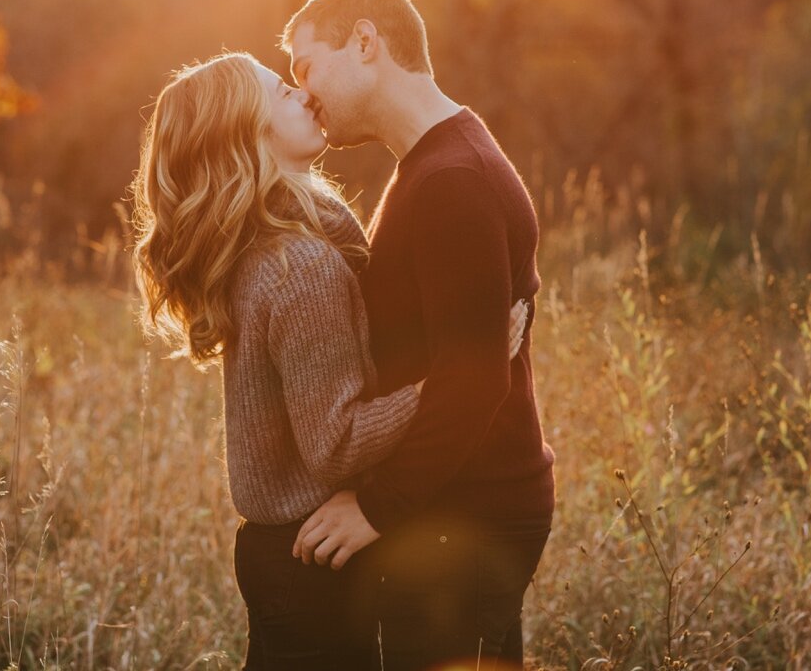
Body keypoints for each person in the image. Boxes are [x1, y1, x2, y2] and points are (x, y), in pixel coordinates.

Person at [129, 51, 527, 670]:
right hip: (309, 557)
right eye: (281, 92)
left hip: (293, 552)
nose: (304, 95)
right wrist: (450, 379)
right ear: (247, 136)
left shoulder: (295, 235)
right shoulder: (300, 268)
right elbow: (334, 443)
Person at [282, 0, 556, 671]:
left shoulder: (451, 181)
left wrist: (375, 508)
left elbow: (471, 384)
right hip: (461, 508)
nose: (303, 91)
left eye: (305, 65)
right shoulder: (437, 161)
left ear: (365, 42)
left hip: (468, 518)